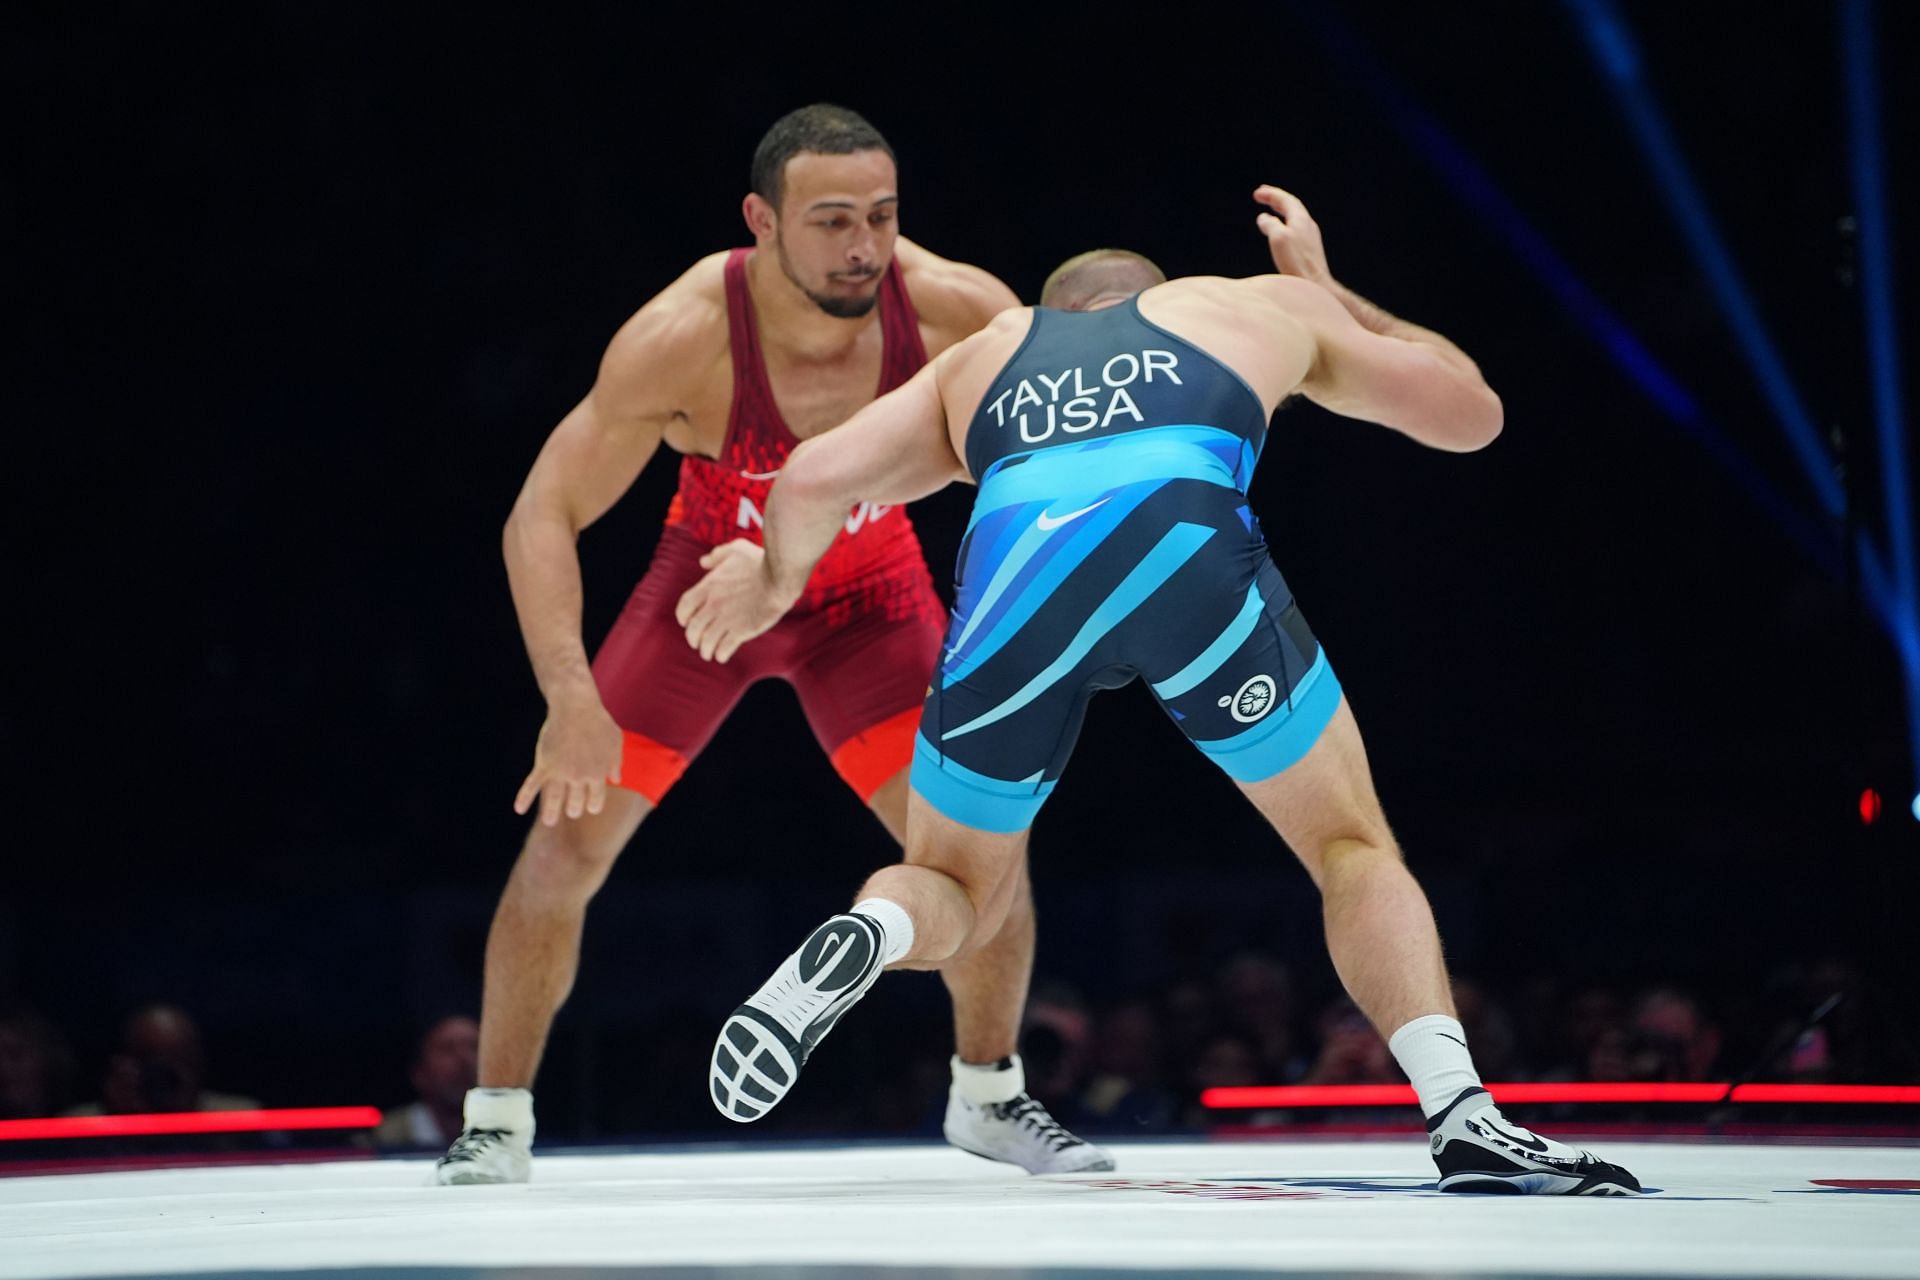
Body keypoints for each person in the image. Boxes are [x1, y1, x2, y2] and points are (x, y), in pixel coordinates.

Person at [677, 185, 1640, 1195]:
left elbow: (818, 471)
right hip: (1183, 541)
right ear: (1158, 294)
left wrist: (772, 578)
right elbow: (1472, 413)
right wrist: (1325, 288)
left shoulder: (988, 352)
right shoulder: (1246, 304)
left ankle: (875, 931)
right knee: (1349, 843)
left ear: (1056, 310)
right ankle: (1463, 1113)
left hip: (1018, 567)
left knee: (956, 883)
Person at [435, 104, 1110, 1184]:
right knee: (563, 845)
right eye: (832, 220)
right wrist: (569, 697)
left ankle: (989, 1094)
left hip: (871, 603)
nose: (863, 247)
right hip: (702, 599)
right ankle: (495, 1120)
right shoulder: (684, 337)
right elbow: (540, 513)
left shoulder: (954, 311)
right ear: (762, 221)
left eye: (882, 218)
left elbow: (1053, 465)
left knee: (983, 853)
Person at [374, 1015, 478, 1149]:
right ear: (420, 1074)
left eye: (474, 1047)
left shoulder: (511, 1127)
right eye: (447, 1049)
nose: (464, 1059)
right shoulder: (386, 1136)